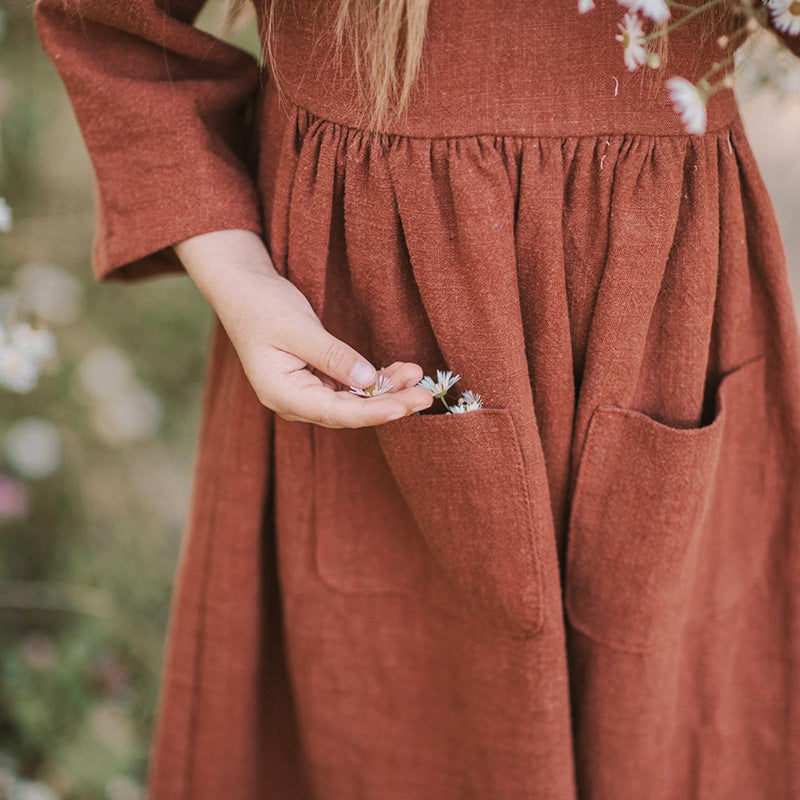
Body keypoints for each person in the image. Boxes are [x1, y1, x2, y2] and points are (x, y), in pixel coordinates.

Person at [32, 1, 800, 798]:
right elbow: (112, 23)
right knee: (387, 715)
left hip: (662, 321)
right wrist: (239, 276)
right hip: (366, 314)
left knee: (669, 720)